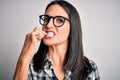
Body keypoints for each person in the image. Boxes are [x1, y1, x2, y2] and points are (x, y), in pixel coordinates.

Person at [13, 0, 100, 80]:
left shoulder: (89, 68)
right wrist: (25, 56)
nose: (48, 25)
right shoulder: (29, 66)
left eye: (59, 20)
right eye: (46, 19)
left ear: (72, 30)